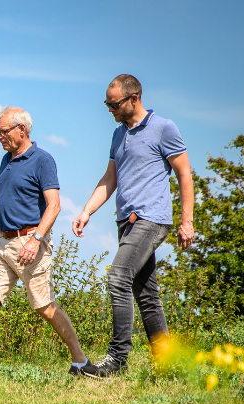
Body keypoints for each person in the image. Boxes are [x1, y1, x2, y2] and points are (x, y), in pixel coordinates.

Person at [72, 75, 195, 378]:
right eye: (107, 104)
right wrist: (87, 211)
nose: (110, 109)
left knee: (118, 277)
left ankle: (117, 359)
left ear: (134, 98)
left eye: (113, 104)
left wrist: (186, 221)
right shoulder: (118, 135)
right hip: (125, 221)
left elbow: (184, 174)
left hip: (151, 219)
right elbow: (110, 178)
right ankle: (167, 362)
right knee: (146, 293)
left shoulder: (163, 128)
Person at [0, 106, 90, 377]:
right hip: (2, 244)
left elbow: (54, 205)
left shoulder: (42, 160)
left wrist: (35, 240)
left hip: (29, 244)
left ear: (21, 130)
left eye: (3, 131)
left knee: (44, 307)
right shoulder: (7, 160)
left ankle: (80, 361)